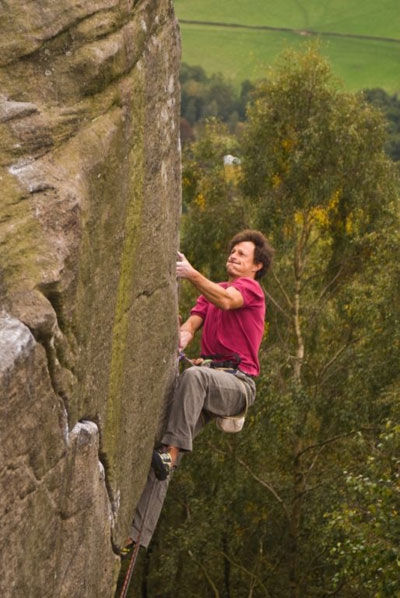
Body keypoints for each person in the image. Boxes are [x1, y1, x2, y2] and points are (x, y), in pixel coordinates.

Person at [121, 229, 274, 554]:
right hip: (210, 378)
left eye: (241, 254)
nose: (233, 255)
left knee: (192, 380)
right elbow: (192, 325)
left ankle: (172, 452)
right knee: (164, 446)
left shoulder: (250, 290)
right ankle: (135, 535)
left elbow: (227, 301)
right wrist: (180, 334)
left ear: (256, 265)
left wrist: (190, 274)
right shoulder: (213, 291)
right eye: (232, 251)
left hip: (238, 385)